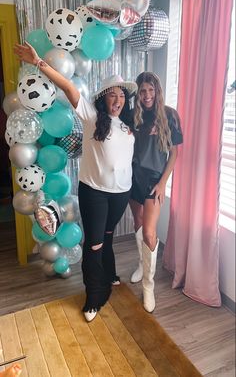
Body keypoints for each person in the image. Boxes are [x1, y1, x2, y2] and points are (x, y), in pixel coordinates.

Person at [14, 42, 137, 322]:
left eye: (121, 96)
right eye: (112, 96)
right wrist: (39, 63)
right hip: (95, 193)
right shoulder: (93, 117)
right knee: (94, 243)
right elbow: (69, 87)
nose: (117, 100)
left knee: (106, 236)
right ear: (103, 99)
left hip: (121, 194)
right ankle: (95, 297)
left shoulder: (129, 125)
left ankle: (110, 273)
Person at [129, 71, 183, 313]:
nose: (147, 95)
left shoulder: (170, 115)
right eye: (142, 91)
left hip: (154, 181)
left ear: (157, 91)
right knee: (138, 223)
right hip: (133, 179)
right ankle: (142, 263)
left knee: (150, 233)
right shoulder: (133, 116)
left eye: (151, 90)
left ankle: (148, 286)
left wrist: (162, 184)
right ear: (138, 94)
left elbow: (174, 154)